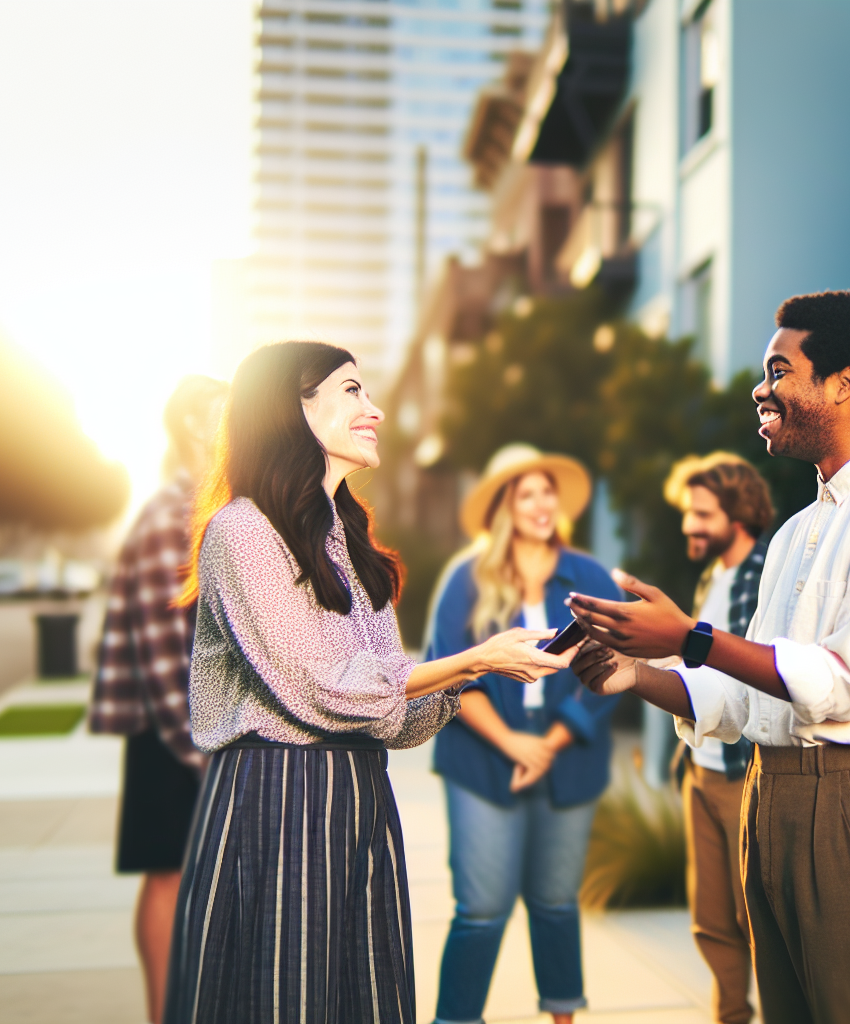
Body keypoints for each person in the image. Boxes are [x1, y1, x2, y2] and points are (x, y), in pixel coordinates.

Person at [567, 291, 850, 1024]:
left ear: (844, 385)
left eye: (780, 370)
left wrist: (690, 637)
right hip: (768, 794)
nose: (762, 388)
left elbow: (840, 685)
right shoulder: (793, 535)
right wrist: (635, 673)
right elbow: (745, 703)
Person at [163, 341, 572, 1024]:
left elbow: (388, 716)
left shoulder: (349, 540)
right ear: (292, 406)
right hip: (278, 800)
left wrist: (476, 673)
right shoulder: (241, 531)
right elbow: (326, 686)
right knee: (281, 1000)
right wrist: (472, 660)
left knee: (364, 997)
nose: (374, 410)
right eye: (353, 391)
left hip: (358, 796)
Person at [427, 443, 624, 1024]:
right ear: (503, 507)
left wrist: (553, 742)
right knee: (482, 908)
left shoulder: (587, 576)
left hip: (567, 752)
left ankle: (562, 1014)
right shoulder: (465, 579)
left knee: (556, 902)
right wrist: (515, 744)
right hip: (483, 755)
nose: (541, 504)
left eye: (547, 492)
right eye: (526, 493)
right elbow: (449, 670)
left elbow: (610, 667)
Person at [88, 373, 226, 1024]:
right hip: (173, 730)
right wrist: (199, 748)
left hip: (205, 723)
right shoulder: (173, 515)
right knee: (169, 875)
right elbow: (163, 651)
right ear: (198, 425)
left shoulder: (214, 506)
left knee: (193, 875)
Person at [661, 452, 773, 1024]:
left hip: (740, 771)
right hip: (699, 769)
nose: (689, 525)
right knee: (710, 918)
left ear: (739, 512)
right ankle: (730, 1015)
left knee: (754, 917)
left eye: (701, 514)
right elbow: (694, 668)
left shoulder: (762, 571)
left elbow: (756, 674)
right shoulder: (713, 574)